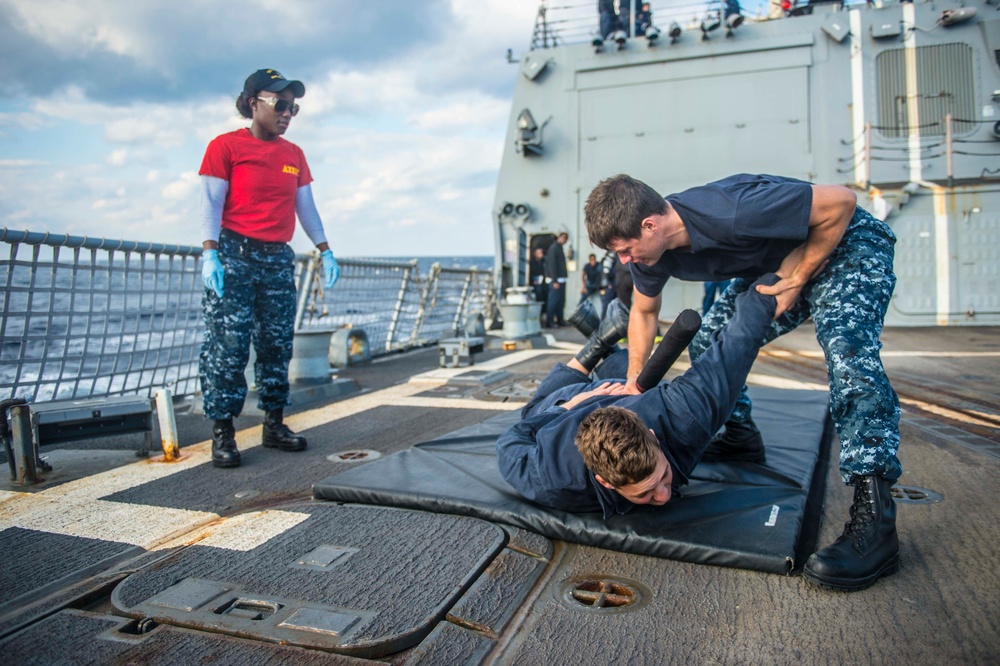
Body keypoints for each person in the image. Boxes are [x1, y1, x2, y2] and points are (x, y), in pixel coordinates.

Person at [584, 173, 900, 592]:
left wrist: (801, 276)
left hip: (845, 245)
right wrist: (634, 385)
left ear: (650, 226)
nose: (624, 261)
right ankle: (740, 436)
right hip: (781, 266)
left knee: (847, 353)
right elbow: (643, 313)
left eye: (625, 251)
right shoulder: (651, 255)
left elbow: (840, 202)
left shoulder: (729, 210)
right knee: (711, 341)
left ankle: (876, 519)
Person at [497, 275, 779, 517]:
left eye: (663, 476)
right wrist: (568, 408)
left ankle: (599, 344)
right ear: (605, 482)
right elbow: (511, 439)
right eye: (645, 494)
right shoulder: (555, 479)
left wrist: (772, 285)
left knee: (541, 409)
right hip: (590, 393)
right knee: (542, 408)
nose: (664, 495)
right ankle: (600, 345)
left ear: (654, 438)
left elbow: (737, 345)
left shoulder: (686, 415)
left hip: (607, 390)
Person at [198, 68, 341, 469]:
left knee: (277, 343)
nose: (287, 113)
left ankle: (274, 423)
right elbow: (211, 202)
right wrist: (210, 253)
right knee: (228, 345)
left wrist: (325, 249)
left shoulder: (293, 155)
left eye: (292, 107)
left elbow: (305, 206)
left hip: (278, 257)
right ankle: (223, 433)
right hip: (234, 253)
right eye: (279, 104)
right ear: (252, 102)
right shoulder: (225, 147)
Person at [544, 232, 569, 327]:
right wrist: (554, 280)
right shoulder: (554, 248)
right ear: (559, 237)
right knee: (553, 302)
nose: (565, 240)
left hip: (561, 279)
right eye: (563, 237)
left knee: (560, 301)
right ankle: (549, 322)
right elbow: (552, 265)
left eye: (566, 238)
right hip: (556, 280)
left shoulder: (559, 248)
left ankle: (560, 320)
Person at [529, 246, 548, 314]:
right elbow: (530, 273)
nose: (541, 254)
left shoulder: (545, 262)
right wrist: (532, 281)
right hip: (534, 282)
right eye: (539, 253)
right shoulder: (531, 262)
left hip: (543, 281)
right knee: (538, 293)